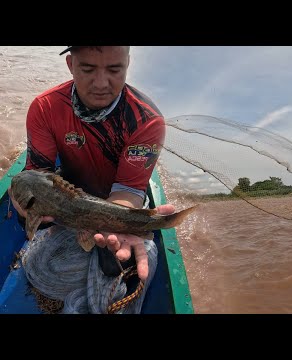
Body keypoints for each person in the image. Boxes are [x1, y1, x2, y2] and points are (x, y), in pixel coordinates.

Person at [7, 46, 174, 283]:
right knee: (26, 221)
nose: (101, 83)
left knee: (119, 264)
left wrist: (114, 221)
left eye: (114, 69)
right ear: (70, 65)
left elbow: (128, 188)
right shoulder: (44, 108)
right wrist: (24, 207)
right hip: (69, 194)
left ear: (127, 63)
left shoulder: (147, 121)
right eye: (87, 69)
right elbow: (38, 173)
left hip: (120, 198)